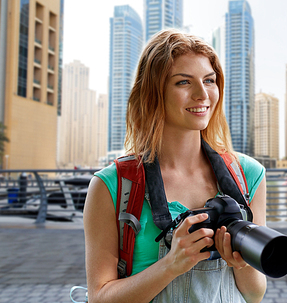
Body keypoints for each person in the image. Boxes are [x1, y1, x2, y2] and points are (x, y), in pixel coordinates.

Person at [83, 29, 267, 303]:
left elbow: (254, 293)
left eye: (209, 80)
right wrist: (171, 264)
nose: (202, 94)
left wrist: (239, 261)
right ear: (153, 92)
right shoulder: (113, 185)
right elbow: (100, 297)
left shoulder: (248, 175)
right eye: (183, 82)